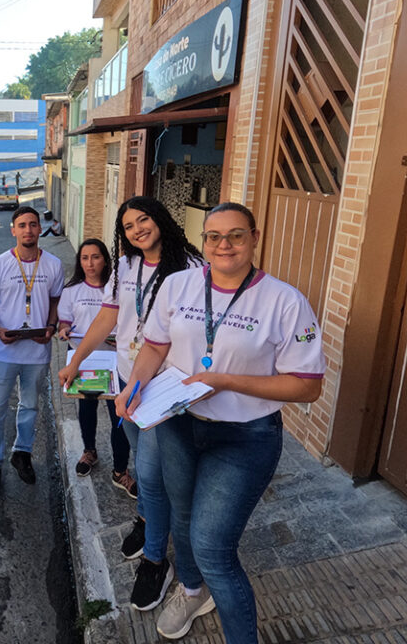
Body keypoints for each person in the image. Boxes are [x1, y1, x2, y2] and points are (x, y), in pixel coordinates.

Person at [121, 202, 324, 642]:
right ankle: (192, 592)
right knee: (182, 518)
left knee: (213, 547)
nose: (224, 245)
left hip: (244, 439)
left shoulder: (285, 301)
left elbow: (307, 386)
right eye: (213, 236)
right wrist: (133, 386)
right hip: (178, 423)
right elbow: (154, 347)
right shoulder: (178, 286)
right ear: (204, 242)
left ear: (255, 237)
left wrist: (226, 381)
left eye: (236, 235)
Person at [59, 196, 203, 613]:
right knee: (141, 463)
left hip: (161, 387)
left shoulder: (190, 269)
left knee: (154, 474)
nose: (137, 229)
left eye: (144, 220)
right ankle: (146, 520)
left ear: (160, 220)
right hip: (128, 379)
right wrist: (77, 360)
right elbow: (109, 316)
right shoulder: (125, 267)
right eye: (128, 226)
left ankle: (156, 558)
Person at [0, 205, 65, 500]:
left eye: (33, 224)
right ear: (13, 230)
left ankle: (22, 452)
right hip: (3, 351)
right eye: (22, 225)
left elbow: (55, 301)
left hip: (37, 353)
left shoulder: (53, 264)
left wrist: (51, 326)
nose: (28, 230)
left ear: (41, 229)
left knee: (30, 406)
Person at [56, 239, 131, 486]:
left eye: (96, 257)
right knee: (86, 410)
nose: (90, 263)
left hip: (113, 360)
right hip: (82, 361)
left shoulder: (118, 288)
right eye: (85, 258)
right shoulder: (71, 290)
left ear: (105, 260)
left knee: (118, 414)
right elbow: (65, 322)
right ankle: (90, 452)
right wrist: (64, 329)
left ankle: (120, 470)